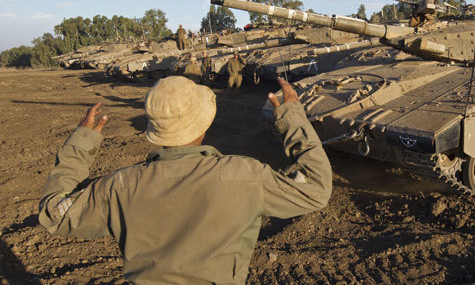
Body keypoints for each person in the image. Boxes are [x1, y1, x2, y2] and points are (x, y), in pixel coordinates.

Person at [38, 76, 332, 284]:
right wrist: (292, 118)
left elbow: (54, 214)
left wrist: (81, 143)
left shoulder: (119, 185)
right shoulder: (245, 175)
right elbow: (317, 189)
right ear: (205, 122)